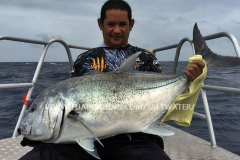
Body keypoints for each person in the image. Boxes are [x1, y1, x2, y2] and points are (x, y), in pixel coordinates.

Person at [19, 0, 205, 160]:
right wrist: (39, 131)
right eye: (111, 24)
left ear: (131, 24)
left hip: (135, 139)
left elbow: (162, 104)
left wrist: (188, 78)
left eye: (122, 24)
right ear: (100, 24)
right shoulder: (85, 59)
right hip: (80, 141)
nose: (117, 30)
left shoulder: (146, 58)